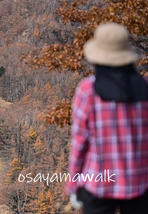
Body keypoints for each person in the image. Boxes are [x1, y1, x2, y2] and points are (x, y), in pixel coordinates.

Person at [65, 23, 148, 214]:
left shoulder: (87, 91)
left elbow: (79, 144)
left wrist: (73, 184)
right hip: (140, 183)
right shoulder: (145, 89)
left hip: (98, 183)